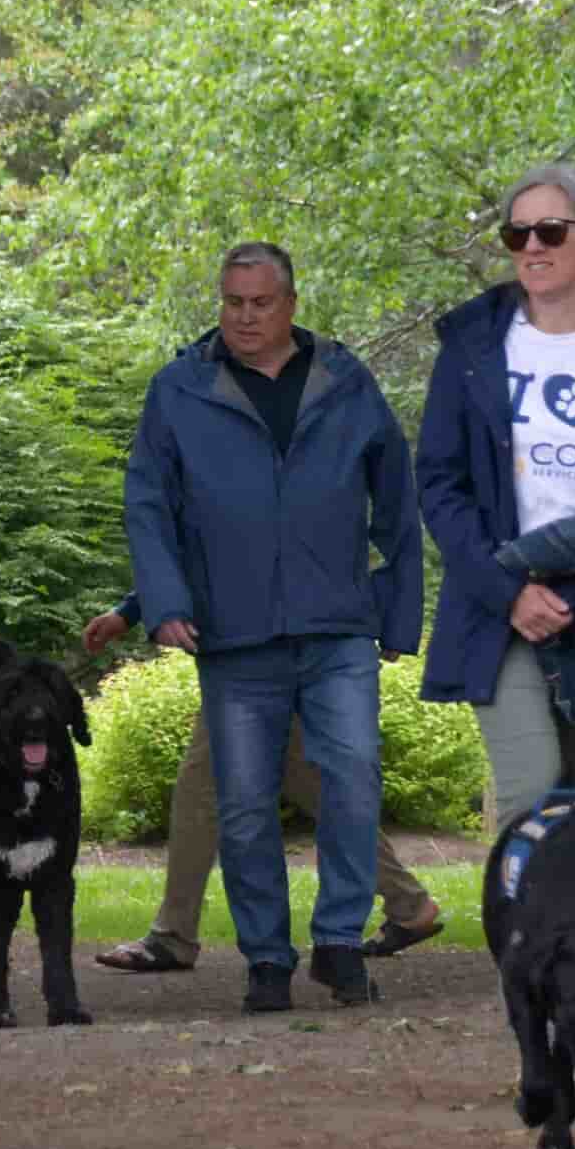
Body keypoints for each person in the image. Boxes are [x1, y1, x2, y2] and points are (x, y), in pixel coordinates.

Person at [122, 242, 422, 1013]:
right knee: (246, 803)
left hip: (339, 628)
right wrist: (162, 603)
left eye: (260, 303)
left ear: (290, 303)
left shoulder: (347, 382)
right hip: (234, 634)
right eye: (232, 303)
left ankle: (341, 942)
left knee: (353, 780)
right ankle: (265, 958)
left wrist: (398, 611)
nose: (245, 317)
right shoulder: (179, 390)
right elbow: (149, 505)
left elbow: (397, 498)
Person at [416, 164, 575, 846]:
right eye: (518, 234)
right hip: (500, 598)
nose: (532, 247)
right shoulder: (473, 345)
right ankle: (527, 944)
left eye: (550, 230)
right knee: (532, 786)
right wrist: (509, 591)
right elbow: (439, 481)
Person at [80, 599, 443, 973]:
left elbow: (197, 547)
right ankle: (410, 904)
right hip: (282, 642)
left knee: (204, 789)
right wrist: (129, 612)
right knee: (317, 788)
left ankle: (174, 935)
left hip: (260, 649)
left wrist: (128, 613)